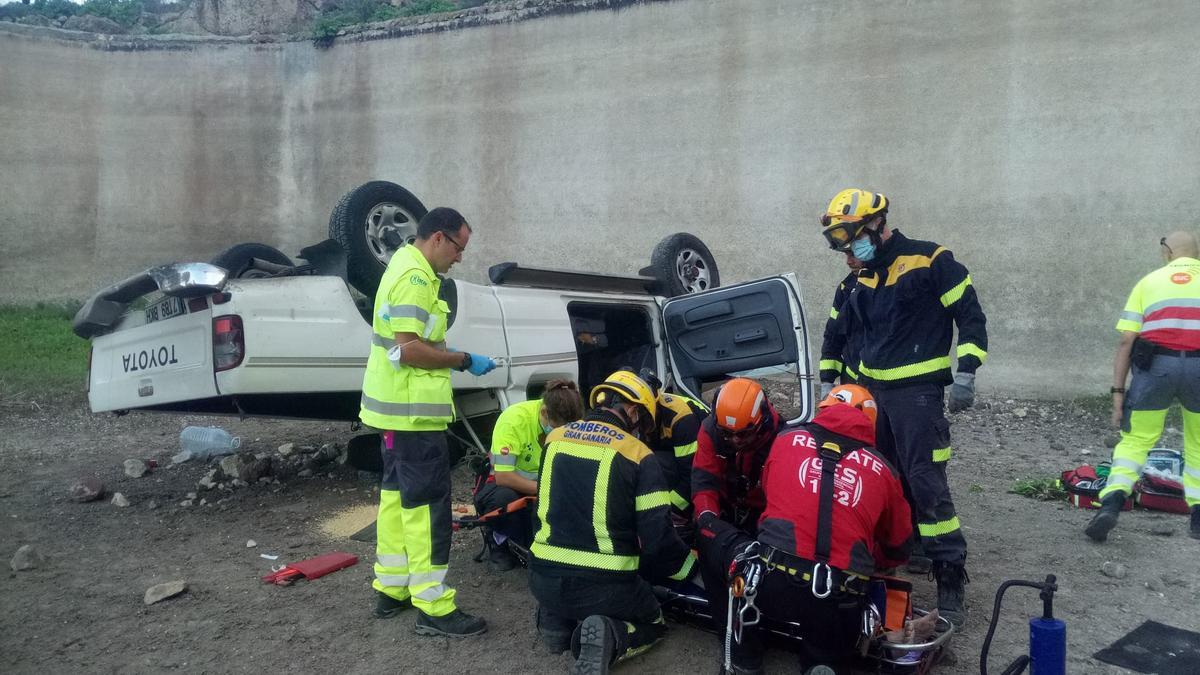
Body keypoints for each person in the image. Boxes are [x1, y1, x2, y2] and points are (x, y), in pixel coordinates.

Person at [819, 188, 987, 627]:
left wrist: (967, 370)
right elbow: (835, 335)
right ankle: (896, 551)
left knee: (926, 484)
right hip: (869, 400)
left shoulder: (931, 261)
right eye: (840, 244)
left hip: (916, 397)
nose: (847, 251)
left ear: (877, 224)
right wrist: (826, 382)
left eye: (851, 238)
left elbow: (970, 315)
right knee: (881, 479)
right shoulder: (856, 280)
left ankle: (950, 574)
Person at [699, 384, 912, 674]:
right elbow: (898, 547)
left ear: (824, 408)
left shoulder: (786, 439)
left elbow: (771, 507)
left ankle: (743, 659)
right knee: (826, 659)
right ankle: (821, 662)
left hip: (771, 584)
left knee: (715, 544)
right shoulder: (884, 470)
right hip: (839, 598)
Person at [361, 207, 498, 637]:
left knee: (396, 500)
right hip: (412, 417)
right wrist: (462, 360)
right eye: (459, 248)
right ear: (438, 238)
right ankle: (433, 605)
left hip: (393, 414)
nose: (459, 258)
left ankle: (392, 589)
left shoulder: (403, 265)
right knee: (427, 509)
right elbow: (408, 350)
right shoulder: (417, 279)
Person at [529, 370, 699, 674]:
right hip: (605, 586)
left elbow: (542, 509)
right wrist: (689, 567)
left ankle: (556, 620)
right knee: (652, 623)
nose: (644, 433)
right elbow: (657, 540)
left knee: (563, 586)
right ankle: (610, 633)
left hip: (541, 576)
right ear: (633, 411)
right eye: (644, 423)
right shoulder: (639, 455)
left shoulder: (554, 439)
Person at [1088, 231, 1200, 542]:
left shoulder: (1149, 283)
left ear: (1167, 252)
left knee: (1135, 440)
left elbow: (1127, 341)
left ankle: (1111, 502)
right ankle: (1198, 518)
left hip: (1155, 371)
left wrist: (1117, 396)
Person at [691, 378, 783, 671]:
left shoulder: (781, 440)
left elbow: (781, 500)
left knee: (762, 566)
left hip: (762, 513)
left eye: (742, 435)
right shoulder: (710, 431)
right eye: (727, 435)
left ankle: (757, 628)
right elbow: (704, 479)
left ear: (761, 421)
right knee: (710, 552)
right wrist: (707, 519)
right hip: (727, 509)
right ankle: (731, 638)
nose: (734, 442)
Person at [473, 380, 585, 571]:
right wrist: (548, 490)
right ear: (544, 413)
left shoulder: (575, 424)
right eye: (558, 429)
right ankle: (498, 540)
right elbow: (503, 477)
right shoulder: (514, 420)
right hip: (504, 486)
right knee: (503, 499)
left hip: (544, 484)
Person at [638, 368, 710, 524]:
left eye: (643, 413)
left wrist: (664, 510)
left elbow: (692, 477)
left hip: (702, 463)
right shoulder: (634, 413)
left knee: (657, 462)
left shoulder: (680, 419)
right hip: (673, 454)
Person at [819, 256, 866, 398]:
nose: (848, 261)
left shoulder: (892, 286)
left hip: (888, 386)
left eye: (854, 254)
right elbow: (833, 335)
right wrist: (827, 380)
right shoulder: (846, 288)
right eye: (846, 254)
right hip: (852, 382)